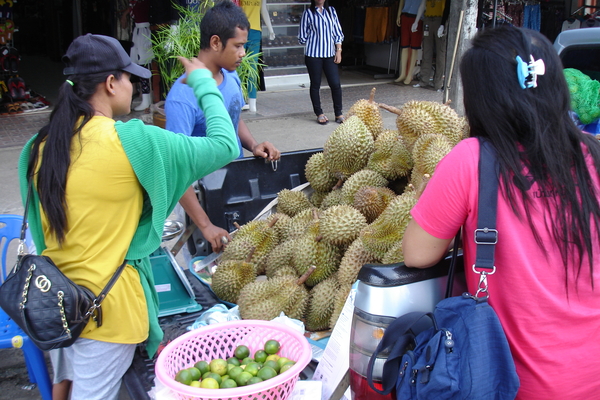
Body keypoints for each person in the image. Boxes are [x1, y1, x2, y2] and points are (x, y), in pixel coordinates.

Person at [18, 33, 239, 400]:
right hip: (106, 312)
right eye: (129, 79)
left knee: (65, 386)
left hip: (54, 301)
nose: (133, 87)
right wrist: (203, 81)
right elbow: (224, 144)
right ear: (109, 83)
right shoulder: (135, 142)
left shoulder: (40, 145)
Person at [402, 26, 600, 399]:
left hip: (525, 385)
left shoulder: (471, 161)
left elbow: (416, 253)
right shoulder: (594, 154)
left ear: (481, 99)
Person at [165, 0, 280, 255]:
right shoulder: (182, 96)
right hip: (202, 199)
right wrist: (204, 225)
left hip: (234, 184)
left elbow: (233, 117)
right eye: (238, 46)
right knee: (204, 268)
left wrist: (253, 145)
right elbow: (175, 167)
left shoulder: (230, 76)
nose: (243, 53)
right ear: (216, 42)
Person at [298, 0, 345, 125]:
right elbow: (301, 37)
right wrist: (315, 37)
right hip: (313, 55)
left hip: (330, 54)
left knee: (335, 84)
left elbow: (338, 32)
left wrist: (338, 51)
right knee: (315, 85)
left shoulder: (332, 11)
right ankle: (319, 113)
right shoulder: (308, 13)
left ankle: (338, 113)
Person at [240, 0, 275, 113]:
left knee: (253, 67)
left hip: (255, 31)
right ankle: (240, 99)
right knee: (238, 66)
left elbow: (263, 10)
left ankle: (252, 102)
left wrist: (270, 30)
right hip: (240, 29)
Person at [412, 0, 450, 92]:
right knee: (426, 51)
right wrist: (416, 21)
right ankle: (423, 80)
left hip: (439, 19)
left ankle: (438, 83)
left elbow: (448, 8)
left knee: (440, 53)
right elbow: (423, 4)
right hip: (428, 19)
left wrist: (443, 24)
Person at [394, 0, 424, 85]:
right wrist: (399, 15)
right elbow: (401, 1)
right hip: (405, 16)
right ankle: (403, 73)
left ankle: (409, 74)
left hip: (416, 18)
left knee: (414, 47)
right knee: (404, 46)